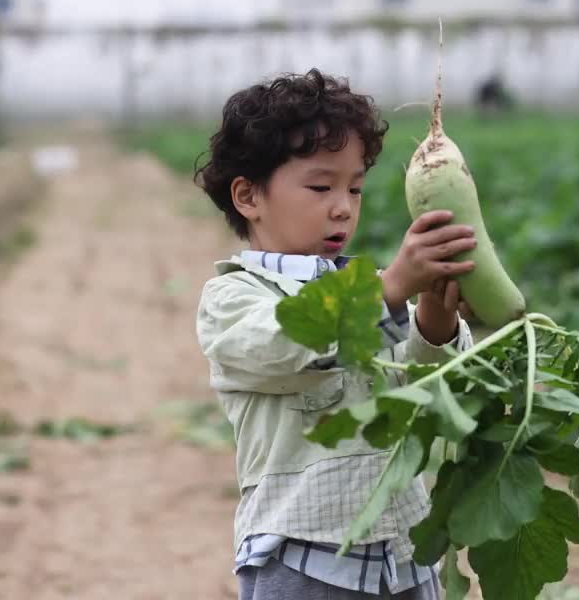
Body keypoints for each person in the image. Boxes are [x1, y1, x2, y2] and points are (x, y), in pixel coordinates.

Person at [194, 68, 475, 599]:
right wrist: (390, 290)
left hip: (405, 555)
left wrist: (434, 322)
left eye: (356, 188)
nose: (343, 206)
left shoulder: (369, 286)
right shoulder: (234, 298)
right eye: (321, 186)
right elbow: (288, 345)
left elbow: (426, 390)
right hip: (306, 560)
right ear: (248, 196)